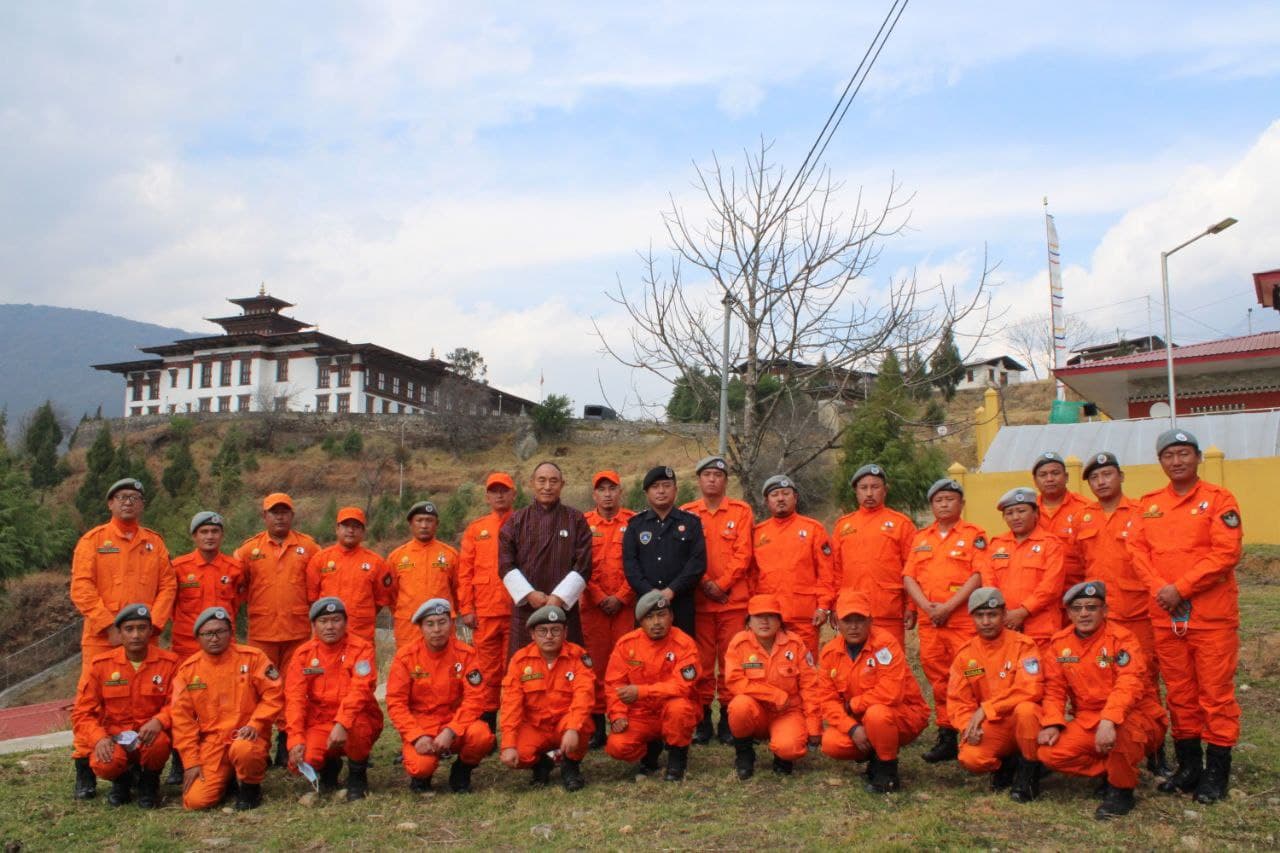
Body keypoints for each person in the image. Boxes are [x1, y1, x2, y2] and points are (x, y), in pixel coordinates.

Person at [1125, 429, 1243, 804]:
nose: (1176, 461)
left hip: (1210, 617)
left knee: (1215, 695)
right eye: (1169, 455)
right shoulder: (1150, 504)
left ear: (1196, 458)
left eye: (1183, 454)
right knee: (1180, 693)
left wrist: (1182, 588)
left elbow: (1226, 553)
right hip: (1166, 615)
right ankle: (1189, 766)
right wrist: (1162, 588)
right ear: (1160, 461)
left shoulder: (1218, 499)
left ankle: (1216, 771)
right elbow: (1137, 551)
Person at [69, 477, 175, 799]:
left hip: (144, 637)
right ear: (110, 504)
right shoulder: (93, 540)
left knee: (147, 699)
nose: (128, 502)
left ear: (142, 505)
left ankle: (144, 768)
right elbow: (82, 587)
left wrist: (152, 626)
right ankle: (85, 768)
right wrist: (109, 626)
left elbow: (168, 586)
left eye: (134, 497)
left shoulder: (154, 543)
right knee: (92, 703)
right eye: (121, 497)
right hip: (102, 638)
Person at [1074, 452, 1171, 777]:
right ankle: (1103, 743)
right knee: (1095, 679)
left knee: (1144, 681)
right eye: (1095, 478)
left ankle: (1155, 749)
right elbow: (1077, 566)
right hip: (1096, 616)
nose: (1101, 482)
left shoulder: (1142, 512)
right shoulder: (1083, 517)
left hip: (1136, 612)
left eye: (1107, 475)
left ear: (1121, 477)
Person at [1037, 581, 1153, 819]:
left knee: (1122, 734)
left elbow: (1129, 683)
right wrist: (1052, 722)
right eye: (1077, 608)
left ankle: (1121, 790)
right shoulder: (1060, 644)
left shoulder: (1122, 639)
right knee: (1050, 754)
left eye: (1091, 607)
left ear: (1105, 610)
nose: (1084, 614)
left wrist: (1109, 720)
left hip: (1133, 716)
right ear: (1068, 613)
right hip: (1088, 718)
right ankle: (1113, 769)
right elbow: (1054, 689)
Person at [902, 478, 986, 764]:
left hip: (961, 621)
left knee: (969, 676)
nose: (945, 504)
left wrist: (948, 607)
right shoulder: (921, 538)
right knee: (938, 679)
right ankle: (946, 734)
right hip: (931, 623)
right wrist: (925, 607)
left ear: (961, 504)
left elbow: (978, 576)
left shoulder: (975, 535)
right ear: (932, 505)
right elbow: (909, 577)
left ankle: (972, 729)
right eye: (939, 500)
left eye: (951, 499)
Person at [234, 492, 320, 768]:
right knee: (259, 690)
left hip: (298, 634)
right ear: (264, 516)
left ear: (292, 516)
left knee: (293, 690)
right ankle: (260, 744)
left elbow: (318, 589)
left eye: (285, 511)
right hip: (262, 635)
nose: (280, 516)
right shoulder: (248, 551)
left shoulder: (309, 548)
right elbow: (237, 589)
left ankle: (287, 742)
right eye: (274, 512)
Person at [814, 590, 930, 793]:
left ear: (871, 620)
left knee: (877, 714)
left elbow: (891, 693)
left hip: (903, 716)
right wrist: (852, 728)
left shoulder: (885, 644)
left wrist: (853, 705)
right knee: (831, 743)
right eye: (847, 620)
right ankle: (875, 752)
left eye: (860, 619)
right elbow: (827, 700)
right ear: (836, 623)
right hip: (862, 720)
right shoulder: (830, 653)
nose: (854, 626)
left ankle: (887, 770)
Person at [170, 606, 284, 811]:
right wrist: (191, 762)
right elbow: (182, 720)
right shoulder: (188, 671)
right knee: (195, 801)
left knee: (244, 749)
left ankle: (250, 789)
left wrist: (256, 724)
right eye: (208, 633)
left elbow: (273, 694)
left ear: (231, 633)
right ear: (198, 637)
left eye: (220, 632)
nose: (214, 638)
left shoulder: (253, 658)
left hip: (248, 735)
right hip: (213, 743)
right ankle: (227, 778)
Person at [70, 603, 179, 808]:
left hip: (150, 735)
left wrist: (159, 720)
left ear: (150, 631)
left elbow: (178, 704)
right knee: (104, 761)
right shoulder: (100, 665)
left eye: (142, 628)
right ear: (119, 633)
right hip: (114, 736)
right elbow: (82, 712)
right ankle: (122, 781)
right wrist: (98, 738)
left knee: (160, 743)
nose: (136, 635)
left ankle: (149, 783)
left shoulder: (170, 663)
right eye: (129, 629)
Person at [946, 587, 1044, 803]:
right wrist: (967, 727)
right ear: (972, 618)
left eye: (992, 614)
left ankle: (1029, 775)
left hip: (1021, 721)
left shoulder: (1023, 646)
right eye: (980, 616)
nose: (986, 621)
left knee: (1026, 710)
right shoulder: (966, 655)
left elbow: (1031, 689)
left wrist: (987, 708)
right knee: (971, 758)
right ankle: (1007, 765)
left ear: (1004, 615)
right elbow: (958, 701)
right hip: (993, 724)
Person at [385, 598, 494, 793]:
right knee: (420, 766)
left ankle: (462, 771)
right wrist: (416, 736)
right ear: (420, 627)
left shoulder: (466, 655)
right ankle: (422, 778)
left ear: (452, 624)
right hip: (422, 725)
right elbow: (396, 704)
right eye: (430, 624)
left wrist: (451, 730)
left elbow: (475, 698)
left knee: (482, 736)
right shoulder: (406, 657)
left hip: (456, 722)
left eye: (442, 622)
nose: (437, 629)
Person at [682, 455, 755, 746]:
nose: (712, 479)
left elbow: (744, 554)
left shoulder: (741, 511)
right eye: (707, 474)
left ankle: (727, 717)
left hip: (731, 602)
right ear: (699, 480)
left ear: (725, 481)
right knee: (699, 663)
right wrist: (704, 584)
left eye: (718, 475)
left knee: (731, 663)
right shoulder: (687, 513)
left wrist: (721, 585)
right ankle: (702, 721)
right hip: (699, 603)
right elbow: (685, 556)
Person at [283, 597, 382, 801]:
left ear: (346, 623)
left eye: (336, 620)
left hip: (355, 717)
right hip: (319, 720)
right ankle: (330, 765)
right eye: (323, 621)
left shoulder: (362, 649)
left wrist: (342, 723)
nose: (330, 626)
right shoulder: (303, 654)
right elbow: (295, 698)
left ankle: (357, 775)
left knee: (358, 728)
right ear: (313, 625)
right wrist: (295, 739)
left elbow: (361, 690)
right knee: (303, 760)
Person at [603, 590, 701, 781]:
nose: (656, 622)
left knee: (680, 708)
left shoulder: (684, 644)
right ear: (640, 621)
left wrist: (641, 691)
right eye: (649, 617)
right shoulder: (626, 644)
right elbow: (614, 684)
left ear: (671, 616)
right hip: (641, 715)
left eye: (661, 615)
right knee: (617, 747)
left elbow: (683, 686)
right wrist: (618, 715)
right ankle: (650, 750)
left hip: (671, 710)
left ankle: (677, 758)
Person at [498, 462, 593, 657]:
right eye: (542, 480)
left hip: (564, 608)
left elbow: (583, 565)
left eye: (553, 481)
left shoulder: (576, 520)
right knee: (523, 668)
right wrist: (530, 594)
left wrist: (558, 598)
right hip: (526, 608)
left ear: (562, 484)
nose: (547, 487)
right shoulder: (516, 521)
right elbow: (505, 565)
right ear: (532, 483)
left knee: (571, 666)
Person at [724, 594, 822, 780]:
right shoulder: (739, 644)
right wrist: (773, 694)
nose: (765, 621)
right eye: (758, 617)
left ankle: (781, 754)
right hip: (756, 712)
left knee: (790, 748)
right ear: (749, 621)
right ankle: (744, 754)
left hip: (787, 712)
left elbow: (810, 687)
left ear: (779, 621)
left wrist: (814, 726)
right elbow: (735, 681)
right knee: (739, 705)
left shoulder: (795, 643)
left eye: (771, 616)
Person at [499, 605, 596, 791]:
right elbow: (511, 705)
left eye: (555, 630)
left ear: (565, 632)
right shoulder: (520, 661)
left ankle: (571, 766)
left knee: (583, 726)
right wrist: (508, 744)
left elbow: (584, 695)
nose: (549, 636)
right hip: (535, 726)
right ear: (532, 634)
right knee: (517, 753)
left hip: (565, 723)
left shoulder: (578, 656)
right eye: (543, 631)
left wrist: (573, 727)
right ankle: (542, 763)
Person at [830, 464, 918, 646]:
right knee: (853, 666)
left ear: (885, 490)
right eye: (864, 488)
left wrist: (911, 605)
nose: (869, 493)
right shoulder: (843, 526)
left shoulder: (901, 524)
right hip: (852, 612)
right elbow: (835, 571)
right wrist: (833, 606)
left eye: (875, 487)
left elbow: (912, 568)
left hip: (888, 610)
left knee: (890, 663)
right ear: (856, 491)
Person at [749, 476, 835, 658]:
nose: (781, 498)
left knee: (805, 668)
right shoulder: (757, 533)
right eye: (775, 494)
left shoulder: (813, 529)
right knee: (771, 666)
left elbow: (826, 573)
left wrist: (823, 606)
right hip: (768, 616)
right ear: (767, 501)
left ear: (795, 497)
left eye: (786, 494)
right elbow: (751, 576)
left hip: (804, 615)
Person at [581, 470, 637, 748]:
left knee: (625, 664)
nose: (607, 494)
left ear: (620, 492)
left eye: (612, 488)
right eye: (601, 489)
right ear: (594, 495)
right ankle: (597, 725)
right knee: (596, 667)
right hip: (593, 608)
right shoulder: (582, 524)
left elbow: (639, 564)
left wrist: (623, 596)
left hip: (625, 607)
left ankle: (623, 718)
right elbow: (579, 566)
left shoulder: (634, 522)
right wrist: (600, 596)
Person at [457, 472, 517, 730]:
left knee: (515, 671)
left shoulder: (524, 522)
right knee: (488, 671)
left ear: (513, 494)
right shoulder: (476, 529)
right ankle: (488, 726)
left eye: (504, 490)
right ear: (487, 496)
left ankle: (516, 725)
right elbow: (465, 572)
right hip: (485, 613)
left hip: (517, 612)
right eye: (494, 491)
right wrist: (466, 608)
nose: (499, 495)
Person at [622, 466, 706, 637]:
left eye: (666, 485)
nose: (661, 491)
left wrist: (671, 590)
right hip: (646, 604)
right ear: (647, 493)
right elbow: (631, 566)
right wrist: (650, 593)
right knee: (646, 656)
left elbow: (697, 563)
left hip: (681, 602)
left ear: (675, 490)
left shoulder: (691, 523)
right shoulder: (635, 525)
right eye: (655, 486)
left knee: (683, 654)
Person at [982, 488, 1065, 653]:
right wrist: (1002, 613)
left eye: (1021, 511)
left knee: (1042, 675)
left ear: (1036, 513)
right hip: (1005, 625)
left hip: (1041, 629)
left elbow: (1051, 586)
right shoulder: (996, 545)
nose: (1015, 517)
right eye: (1009, 513)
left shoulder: (1051, 544)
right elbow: (988, 581)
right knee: (1007, 674)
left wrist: (1023, 612)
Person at [305, 506, 393, 644]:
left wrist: (361, 613)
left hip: (361, 637)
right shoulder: (320, 559)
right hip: (327, 637)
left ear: (363, 531)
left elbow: (381, 600)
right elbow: (312, 598)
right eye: (346, 526)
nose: (351, 530)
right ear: (337, 529)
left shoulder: (376, 562)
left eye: (356, 526)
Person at [171, 512, 244, 661]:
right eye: (204, 532)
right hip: (187, 644)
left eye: (215, 531)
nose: (210, 536)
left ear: (222, 535)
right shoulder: (178, 568)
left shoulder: (235, 569)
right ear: (194, 536)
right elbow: (170, 605)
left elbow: (236, 603)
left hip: (223, 642)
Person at [386, 501, 460, 648]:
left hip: (441, 627)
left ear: (436, 524)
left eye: (429, 521)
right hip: (408, 627)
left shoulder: (450, 555)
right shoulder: (396, 557)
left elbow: (458, 591)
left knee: (444, 668)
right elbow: (390, 595)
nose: (424, 525)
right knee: (408, 668)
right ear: (411, 524)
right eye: (419, 520)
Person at [1031, 451, 1090, 597]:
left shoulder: (1085, 509)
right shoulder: (1026, 511)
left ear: (1066, 477)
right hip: (1038, 595)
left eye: (1055, 473)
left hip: (1078, 594)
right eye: (1043, 475)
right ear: (1035, 480)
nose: (1049, 479)